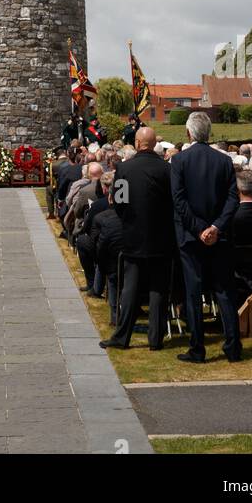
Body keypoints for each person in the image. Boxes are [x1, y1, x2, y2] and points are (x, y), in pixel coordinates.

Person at [170, 110, 241, 364]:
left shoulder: (179, 161)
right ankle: (233, 347)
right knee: (224, 291)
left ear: (188, 133)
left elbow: (179, 202)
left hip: (192, 237)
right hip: (215, 235)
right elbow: (233, 199)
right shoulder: (223, 161)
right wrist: (215, 227)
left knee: (194, 293)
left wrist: (202, 229)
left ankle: (198, 348)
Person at [100, 127, 175, 351]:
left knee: (130, 289)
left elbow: (120, 202)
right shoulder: (166, 169)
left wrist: (128, 222)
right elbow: (173, 202)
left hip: (134, 236)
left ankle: (122, 336)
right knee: (158, 290)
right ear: (153, 144)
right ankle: (156, 339)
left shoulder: (124, 168)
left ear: (136, 142)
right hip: (161, 237)